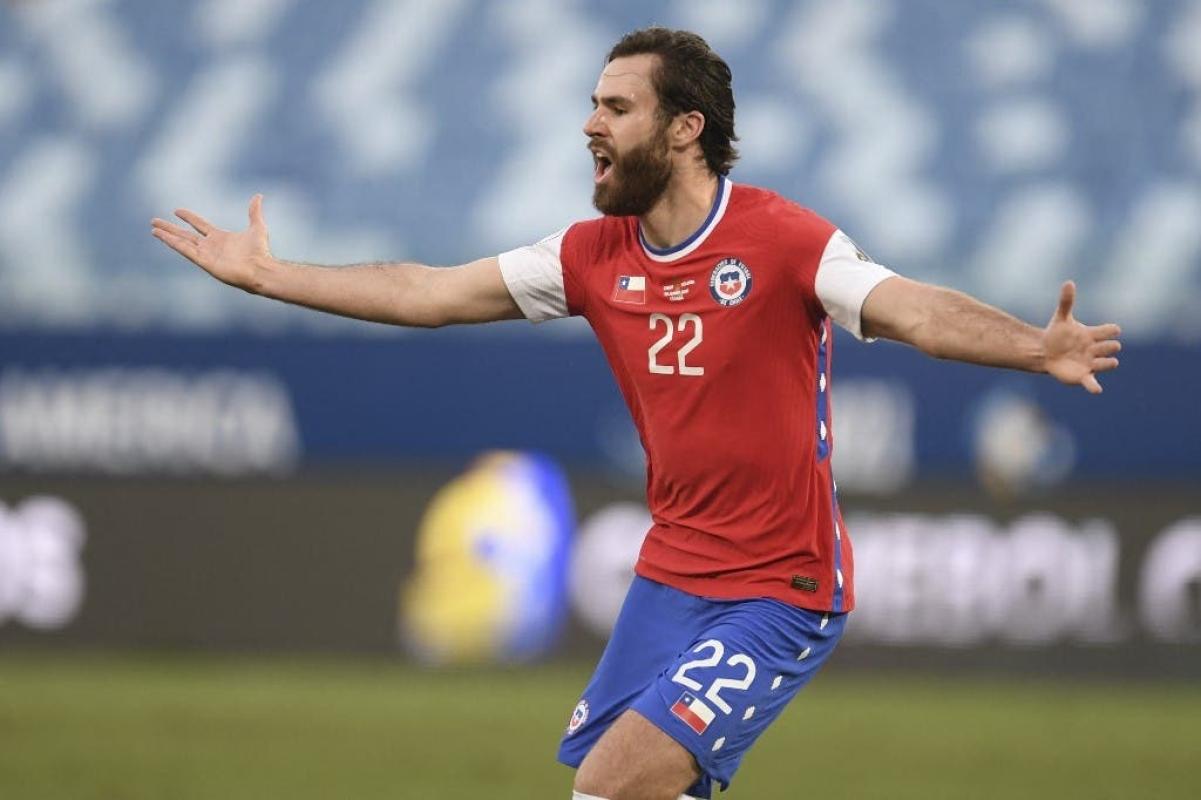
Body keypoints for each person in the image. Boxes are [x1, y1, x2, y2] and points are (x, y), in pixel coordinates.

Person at [151, 26, 1121, 800]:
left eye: (616, 107)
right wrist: (272, 275)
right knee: (621, 788)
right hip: (669, 577)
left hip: (779, 588)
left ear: (685, 128)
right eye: (591, 104)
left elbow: (913, 310)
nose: (590, 124)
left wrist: (1034, 347)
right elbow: (428, 291)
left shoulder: (785, 241)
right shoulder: (589, 255)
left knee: (613, 784)